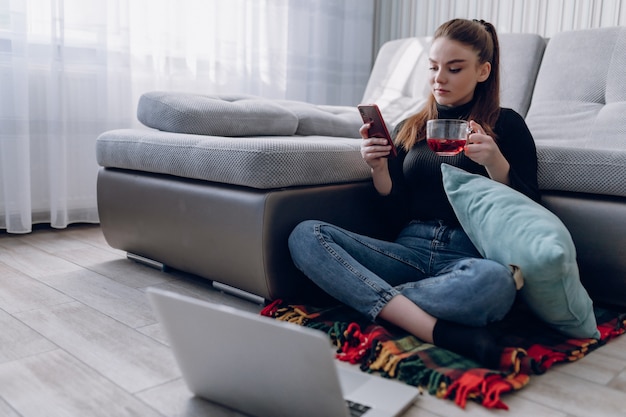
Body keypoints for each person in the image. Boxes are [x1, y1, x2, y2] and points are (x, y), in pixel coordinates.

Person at [288, 18, 539, 368]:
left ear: (483, 71)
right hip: (407, 251)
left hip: (467, 257)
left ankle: (360, 296)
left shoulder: (506, 125)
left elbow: (530, 212)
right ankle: (436, 329)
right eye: (433, 68)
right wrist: (378, 168)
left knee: (497, 285)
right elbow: (394, 213)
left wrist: (496, 162)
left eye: (454, 68)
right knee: (306, 235)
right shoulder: (410, 127)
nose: (439, 78)